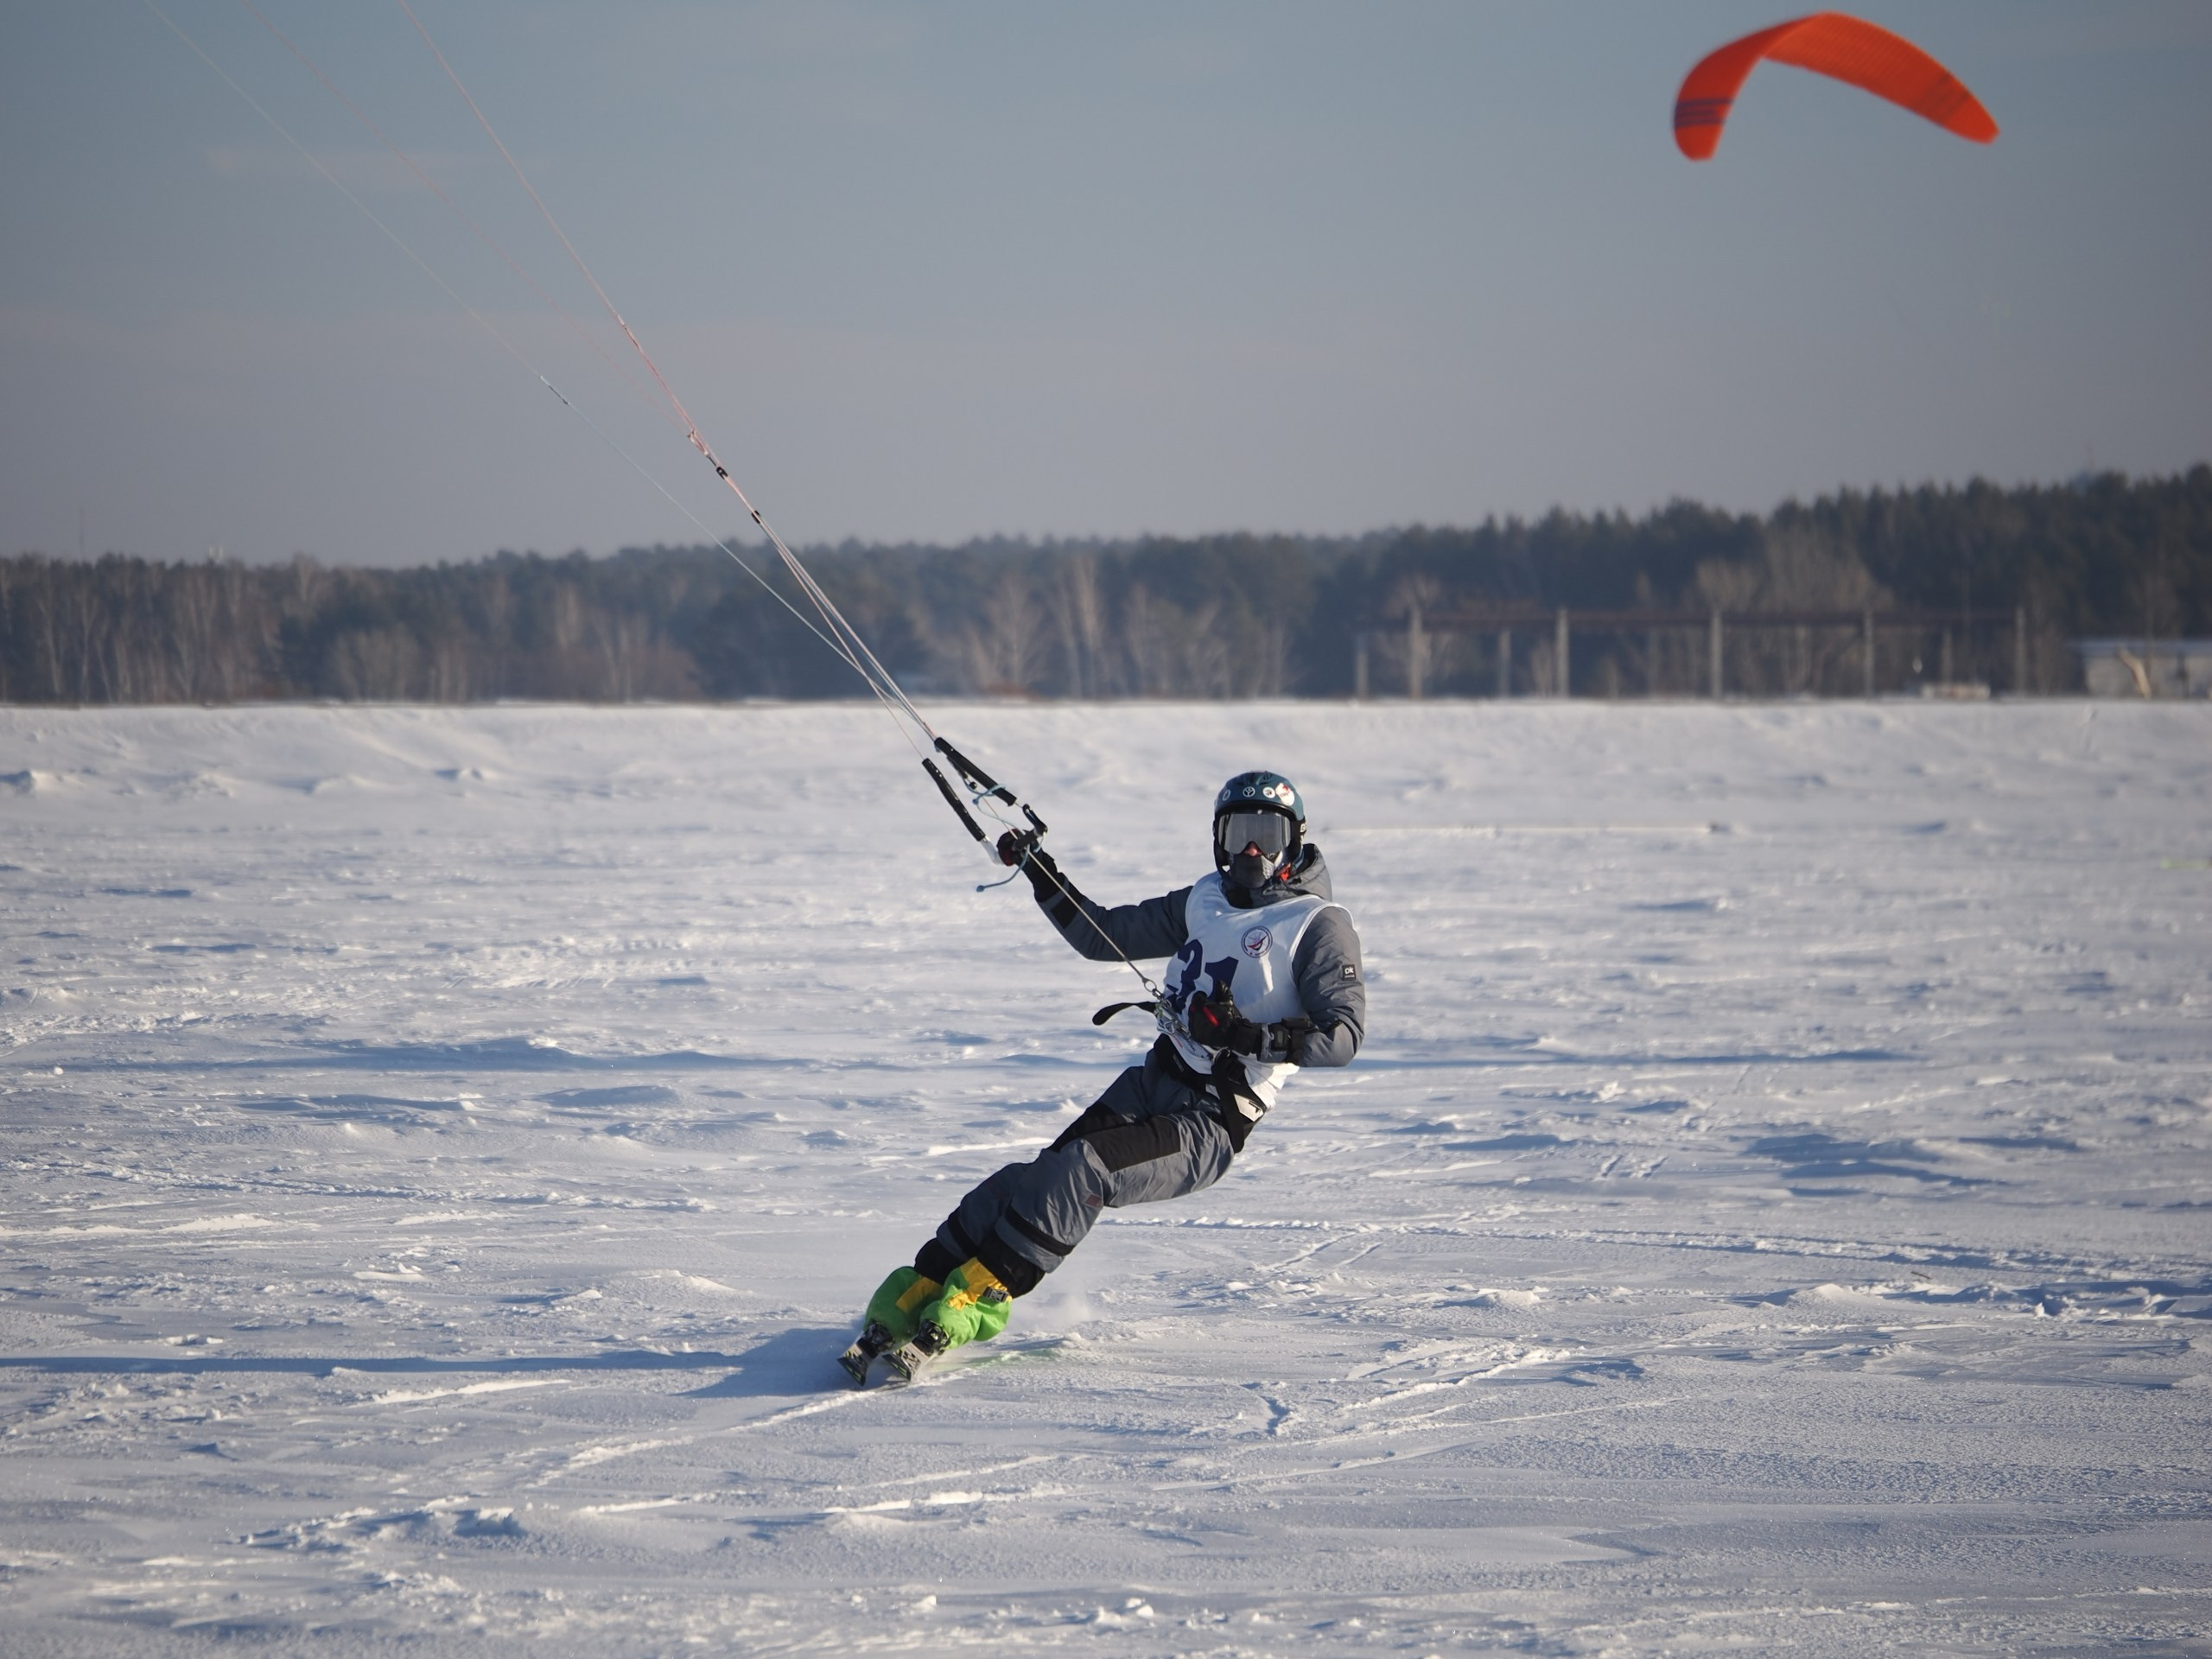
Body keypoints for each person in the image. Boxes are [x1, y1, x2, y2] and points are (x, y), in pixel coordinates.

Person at [841, 770, 1366, 1383]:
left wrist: (1245, 1035)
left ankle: (968, 1308)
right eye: (1238, 834)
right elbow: (1105, 936)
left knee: (1081, 1169)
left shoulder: (1317, 924)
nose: (1252, 850)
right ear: (1217, 840)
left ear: (1294, 841)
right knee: (1037, 1179)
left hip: (1210, 1119)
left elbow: (1343, 1037)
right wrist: (1042, 873)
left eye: (1267, 836)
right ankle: (914, 1295)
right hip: (1154, 1080)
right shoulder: (1205, 899)